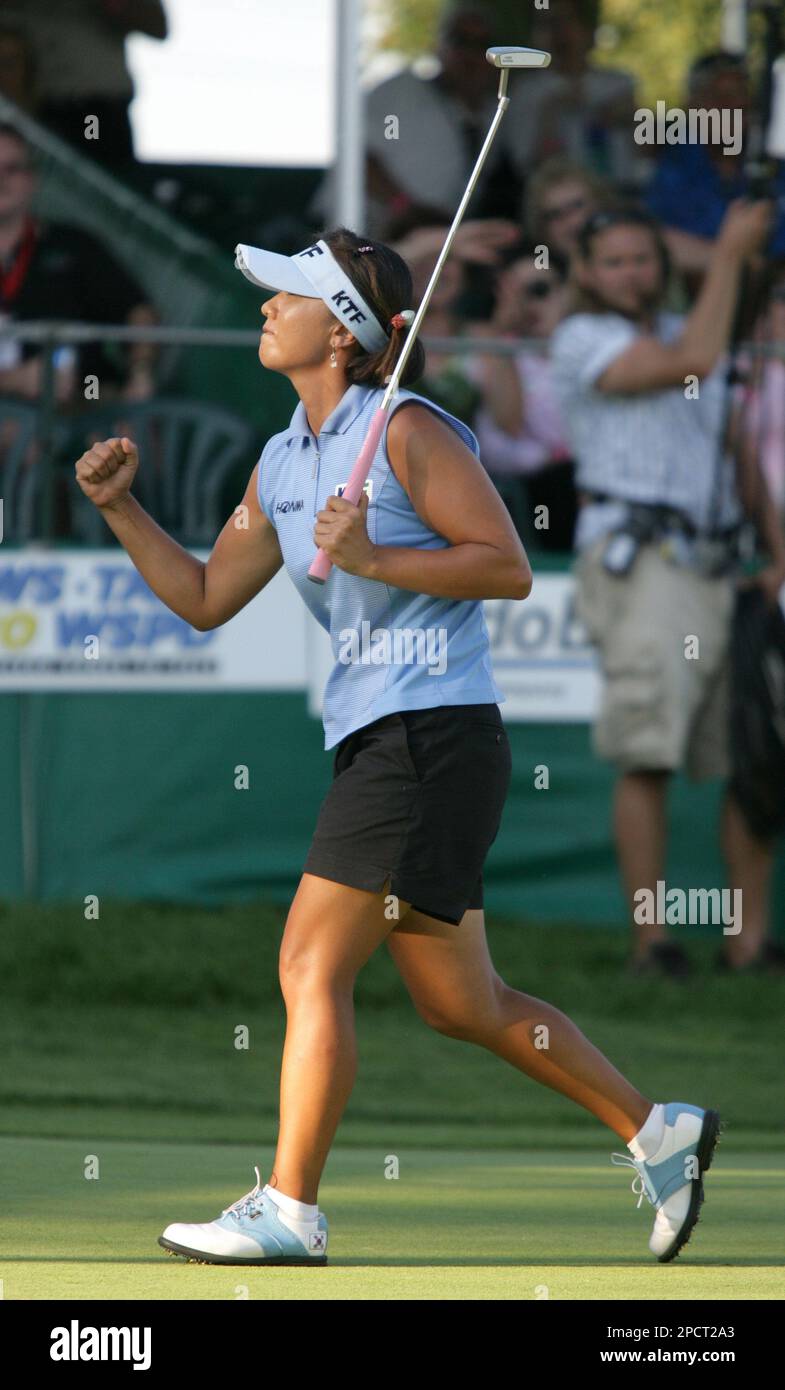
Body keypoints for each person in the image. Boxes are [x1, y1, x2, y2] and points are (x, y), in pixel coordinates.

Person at [75, 224, 723, 1268]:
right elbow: (201, 598)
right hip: (389, 739)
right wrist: (119, 508)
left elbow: (503, 566)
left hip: (426, 734)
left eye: (287, 297)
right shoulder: (282, 457)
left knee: (306, 960)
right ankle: (658, 1133)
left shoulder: (411, 430)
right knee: (460, 1000)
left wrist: (371, 551)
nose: (266, 307)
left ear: (342, 333)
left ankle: (290, 1207)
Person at [551, 201, 785, 980]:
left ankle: (746, 943)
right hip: (641, 555)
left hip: (722, 563)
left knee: (754, 752)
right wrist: (726, 257)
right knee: (645, 751)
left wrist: (779, 552)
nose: (629, 273)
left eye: (641, 259)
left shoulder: (696, 333)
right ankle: (651, 943)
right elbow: (692, 359)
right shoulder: (583, 337)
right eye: (611, 261)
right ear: (583, 271)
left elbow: (738, 454)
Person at [309, 5, 525, 240]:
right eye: (461, 41)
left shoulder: (494, 112)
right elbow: (358, 158)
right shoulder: (401, 90)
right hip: (355, 234)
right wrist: (404, 208)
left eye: (482, 45)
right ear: (439, 46)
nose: (471, 55)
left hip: (429, 242)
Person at [0, 123, 157, 403]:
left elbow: (139, 312)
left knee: (132, 437)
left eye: (12, 169)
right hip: (16, 422)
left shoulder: (73, 245)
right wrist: (14, 381)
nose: (2, 180)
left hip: (81, 408)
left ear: (32, 179)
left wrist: (140, 374)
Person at [467, 245, 578, 550]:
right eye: (514, 294)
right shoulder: (491, 351)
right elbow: (509, 422)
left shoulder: (589, 348)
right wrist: (503, 336)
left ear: (569, 292)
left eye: (538, 290)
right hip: (513, 496)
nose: (526, 305)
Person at [0, 0, 167, 165]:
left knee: (99, 172)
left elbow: (157, 25)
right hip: (28, 112)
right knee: (28, 179)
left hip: (92, 111)